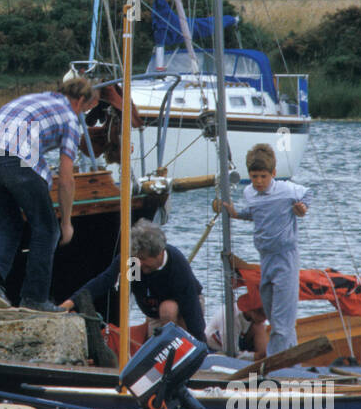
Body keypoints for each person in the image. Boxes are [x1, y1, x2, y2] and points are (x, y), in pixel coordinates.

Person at [0, 75, 99, 311]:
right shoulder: (70, 118)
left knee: (9, 223)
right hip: (16, 158)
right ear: (81, 100)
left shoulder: (34, 98)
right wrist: (67, 222)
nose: (83, 115)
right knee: (47, 228)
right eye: (87, 108)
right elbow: (67, 178)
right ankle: (35, 298)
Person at [213, 143, 309, 356]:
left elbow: (307, 194)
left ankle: (276, 368)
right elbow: (255, 212)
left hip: (285, 258)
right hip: (265, 259)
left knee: (282, 322)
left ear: (273, 174)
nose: (258, 181)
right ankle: (291, 361)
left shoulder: (285, 189)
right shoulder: (249, 193)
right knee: (273, 317)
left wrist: (302, 208)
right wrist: (236, 214)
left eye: (263, 176)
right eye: (254, 176)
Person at [59, 219, 206, 339]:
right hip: (154, 311)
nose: (139, 264)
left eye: (143, 258)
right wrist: (69, 303)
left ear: (159, 254)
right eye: (136, 258)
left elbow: (191, 307)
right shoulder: (135, 263)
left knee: (168, 309)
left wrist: (200, 342)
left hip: (184, 307)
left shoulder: (176, 265)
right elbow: (104, 282)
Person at [204, 306, 270, 358]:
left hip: (238, 345)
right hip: (215, 350)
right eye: (263, 315)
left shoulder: (254, 320)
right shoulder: (231, 318)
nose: (265, 320)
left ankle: (257, 371)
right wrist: (256, 356)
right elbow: (231, 353)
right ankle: (253, 372)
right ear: (251, 311)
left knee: (260, 328)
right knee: (259, 328)